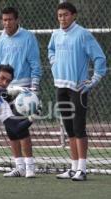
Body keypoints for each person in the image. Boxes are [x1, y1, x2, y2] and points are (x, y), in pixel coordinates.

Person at [48, 2, 107, 181]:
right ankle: (73, 168)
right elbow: (50, 50)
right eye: (60, 15)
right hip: (61, 86)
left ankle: (82, 169)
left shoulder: (83, 34)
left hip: (78, 88)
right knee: (69, 130)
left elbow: (99, 58)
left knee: (79, 128)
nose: (62, 18)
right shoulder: (55, 34)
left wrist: (94, 79)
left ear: (74, 15)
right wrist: (54, 62)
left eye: (66, 15)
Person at [0, 6, 42, 178]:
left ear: (17, 20)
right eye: (4, 20)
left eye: (10, 19)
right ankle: (19, 166)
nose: (7, 23)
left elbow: (35, 64)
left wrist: (34, 88)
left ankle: (30, 166)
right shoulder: (0, 40)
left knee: (22, 129)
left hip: (24, 90)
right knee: (10, 128)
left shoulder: (28, 37)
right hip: (5, 90)